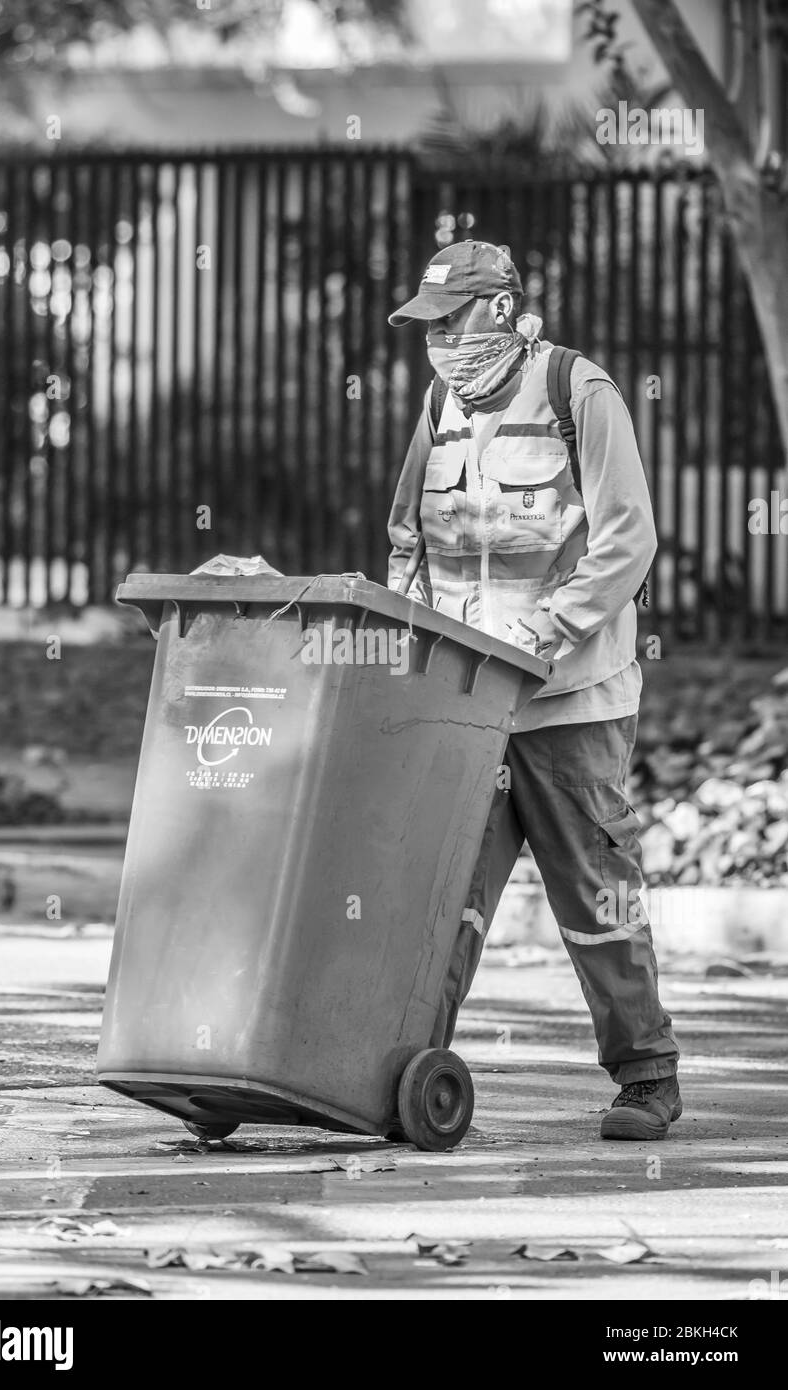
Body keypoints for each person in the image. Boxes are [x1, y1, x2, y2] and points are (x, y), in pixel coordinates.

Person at [387, 239, 681, 1141]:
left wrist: (543, 630)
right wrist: (408, 642)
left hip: (569, 701)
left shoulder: (577, 393)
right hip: (469, 702)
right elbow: (410, 539)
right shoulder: (439, 406)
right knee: (440, 899)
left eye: (451, 320)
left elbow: (627, 540)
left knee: (595, 891)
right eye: (427, 324)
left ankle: (647, 1076)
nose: (437, 340)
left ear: (504, 312)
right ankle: (393, 1071)